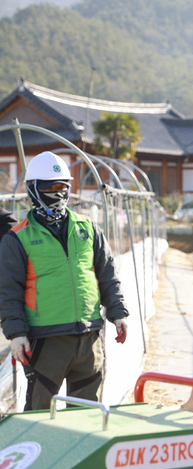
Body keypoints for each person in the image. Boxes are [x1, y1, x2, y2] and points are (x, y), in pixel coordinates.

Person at [0, 151, 129, 410]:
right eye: (49, 187)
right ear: (34, 190)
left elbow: (107, 275)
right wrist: (16, 334)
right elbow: (7, 291)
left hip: (90, 337)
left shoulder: (88, 229)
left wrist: (118, 312)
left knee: (87, 412)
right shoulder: (17, 238)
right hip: (45, 340)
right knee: (39, 412)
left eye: (62, 186)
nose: (57, 193)